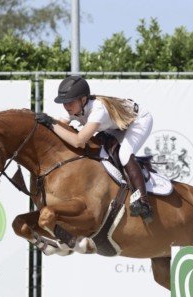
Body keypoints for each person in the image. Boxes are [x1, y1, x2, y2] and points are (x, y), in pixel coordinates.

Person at [36, 75, 154, 223]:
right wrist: (47, 124)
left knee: (124, 154)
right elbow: (60, 130)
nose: (67, 106)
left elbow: (79, 141)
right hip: (115, 126)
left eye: (70, 102)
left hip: (138, 121)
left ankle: (143, 202)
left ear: (83, 100)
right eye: (64, 103)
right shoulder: (73, 108)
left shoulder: (98, 109)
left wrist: (51, 124)